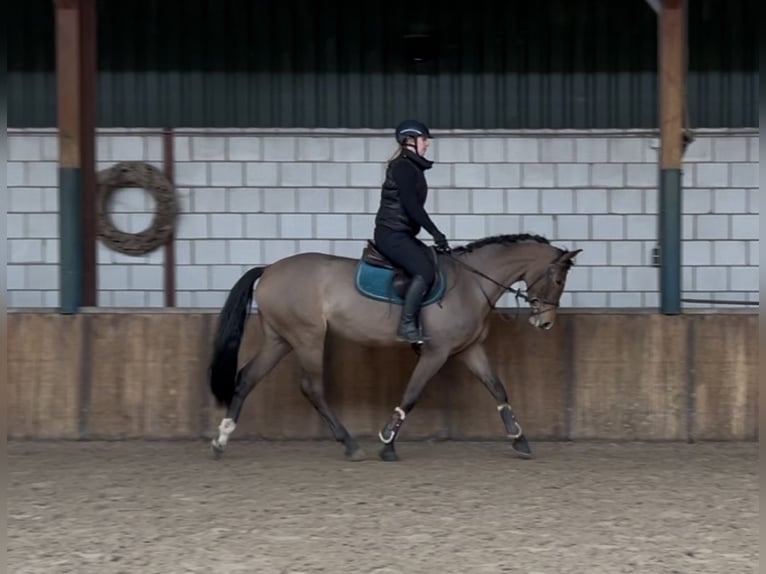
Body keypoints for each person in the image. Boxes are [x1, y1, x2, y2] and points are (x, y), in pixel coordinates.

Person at [373, 119, 451, 344]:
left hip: (402, 233)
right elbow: (411, 206)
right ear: (409, 140)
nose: (426, 145)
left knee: (432, 261)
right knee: (425, 271)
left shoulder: (411, 166)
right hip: (391, 234)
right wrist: (436, 233)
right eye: (424, 140)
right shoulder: (403, 167)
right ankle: (407, 326)